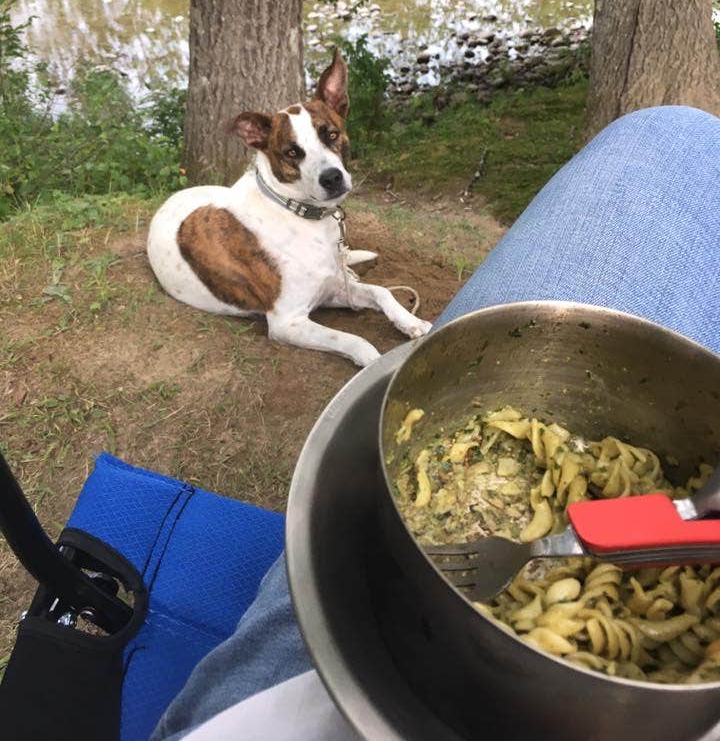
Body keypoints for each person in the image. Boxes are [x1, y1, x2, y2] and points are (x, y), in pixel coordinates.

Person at [152, 105, 720, 741]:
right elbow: (285, 320)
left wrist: (383, 305)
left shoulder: (310, 207)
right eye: (297, 155)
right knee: (679, 137)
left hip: (252, 711)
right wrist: (365, 352)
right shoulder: (257, 229)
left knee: (675, 133)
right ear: (261, 148)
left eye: (330, 142)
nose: (326, 166)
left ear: (340, 125)